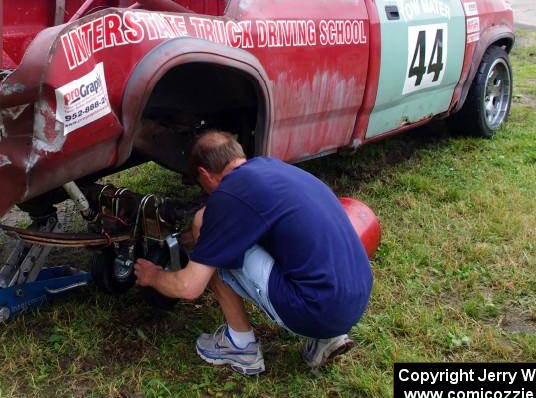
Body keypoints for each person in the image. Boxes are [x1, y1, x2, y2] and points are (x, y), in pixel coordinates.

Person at [133, 131, 373, 375]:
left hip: (314, 309)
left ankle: (240, 344)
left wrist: (152, 276)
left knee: (203, 224)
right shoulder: (273, 168)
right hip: (355, 298)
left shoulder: (229, 193)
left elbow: (188, 287)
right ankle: (326, 338)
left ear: (205, 175)